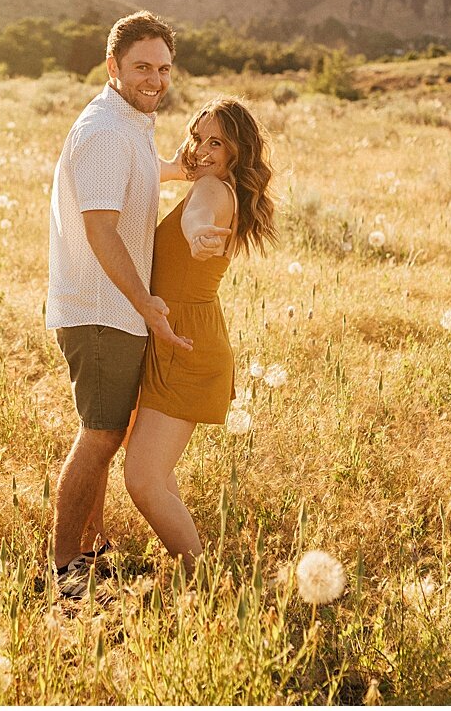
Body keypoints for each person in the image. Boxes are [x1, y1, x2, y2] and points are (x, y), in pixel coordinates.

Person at [46, 11, 227, 600]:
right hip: (103, 310)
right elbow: (101, 230)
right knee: (99, 435)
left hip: (114, 310)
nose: (155, 79)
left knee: (107, 428)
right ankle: (68, 566)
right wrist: (146, 302)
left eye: (164, 68)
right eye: (142, 67)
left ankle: (93, 551)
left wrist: (183, 167)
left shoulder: (128, 124)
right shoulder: (103, 131)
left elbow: (141, 174)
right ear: (113, 67)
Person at [123, 97, 278, 573]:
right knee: (154, 471)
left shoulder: (213, 189)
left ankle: (203, 580)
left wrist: (195, 232)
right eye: (199, 138)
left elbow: (199, 216)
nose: (206, 150)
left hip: (186, 345)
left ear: (237, 151)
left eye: (218, 142)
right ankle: (199, 574)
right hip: (180, 335)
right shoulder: (213, 183)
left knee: (143, 479)